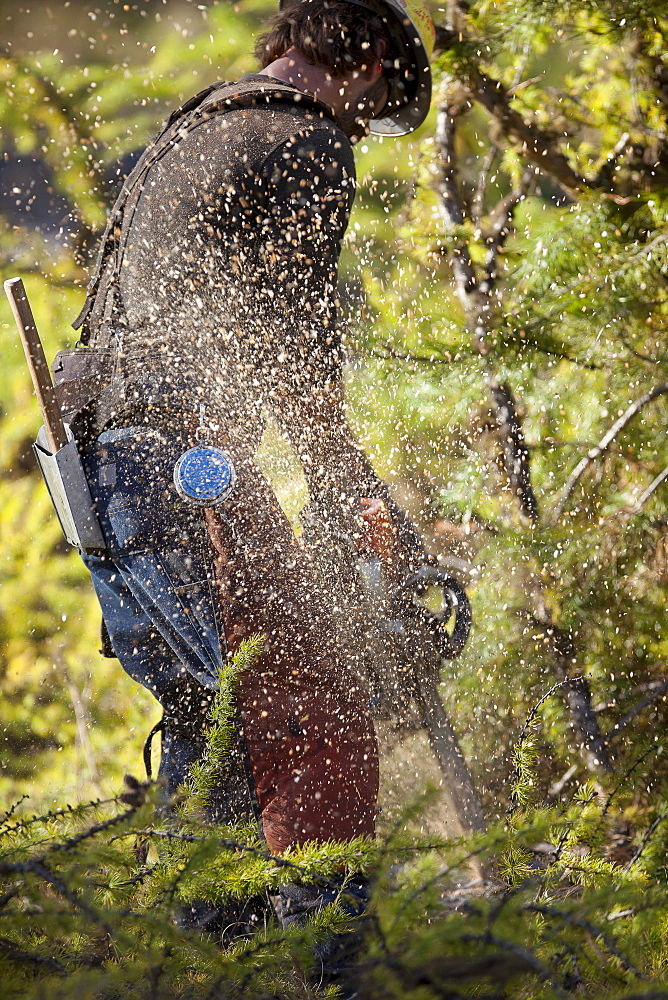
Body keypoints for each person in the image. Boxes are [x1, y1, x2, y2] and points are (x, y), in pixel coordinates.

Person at [69, 0, 436, 912]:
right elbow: (298, 353)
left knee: (216, 711)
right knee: (314, 714)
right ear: (364, 57)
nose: (361, 116)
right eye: (373, 95)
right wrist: (351, 495)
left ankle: (199, 957)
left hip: (103, 471)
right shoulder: (303, 140)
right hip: (179, 465)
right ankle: (320, 957)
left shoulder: (194, 127)